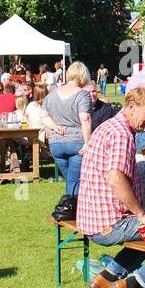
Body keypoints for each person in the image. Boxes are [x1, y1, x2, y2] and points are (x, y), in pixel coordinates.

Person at [75, 86, 145, 288]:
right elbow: (116, 179)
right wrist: (141, 214)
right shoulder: (121, 134)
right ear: (132, 107)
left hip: (92, 217)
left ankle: (106, 278)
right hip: (108, 222)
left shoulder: (109, 126)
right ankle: (132, 284)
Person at [45, 62, 93, 199]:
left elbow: (44, 115)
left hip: (56, 143)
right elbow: (85, 119)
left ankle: (70, 207)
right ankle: (74, 211)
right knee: (75, 181)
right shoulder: (82, 95)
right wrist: (87, 143)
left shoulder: (52, 94)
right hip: (76, 142)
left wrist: (54, 127)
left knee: (70, 180)